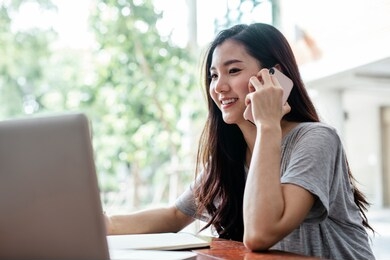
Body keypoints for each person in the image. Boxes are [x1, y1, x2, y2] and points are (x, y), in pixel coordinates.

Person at [105, 23, 375, 259]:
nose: (219, 86)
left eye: (233, 70)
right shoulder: (231, 155)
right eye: (213, 75)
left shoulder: (316, 139)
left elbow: (260, 234)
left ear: (274, 76)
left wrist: (267, 123)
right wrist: (100, 222)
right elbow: (175, 216)